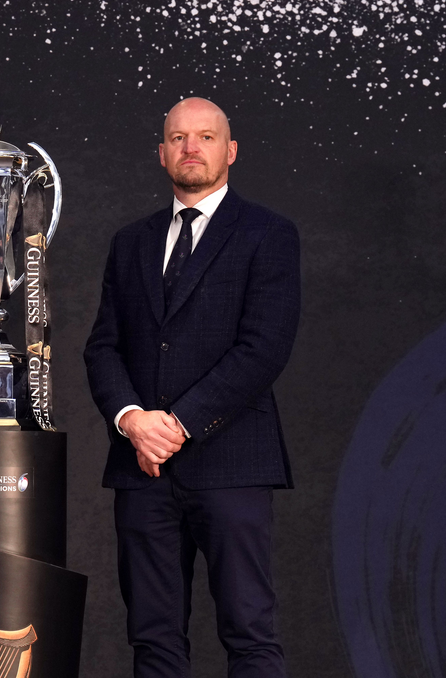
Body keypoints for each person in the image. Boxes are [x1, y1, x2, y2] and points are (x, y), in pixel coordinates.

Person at [83, 98, 300, 678]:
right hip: (142, 468)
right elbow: (103, 347)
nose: (191, 148)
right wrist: (132, 419)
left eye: (206, 136)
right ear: (162, 153)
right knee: (152, 639)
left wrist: (177, 425)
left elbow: (263, 349)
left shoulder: (268, 234)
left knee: (250, 634)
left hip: (232, 462)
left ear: (231, 150)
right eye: (178, 138)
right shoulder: (131, 241)